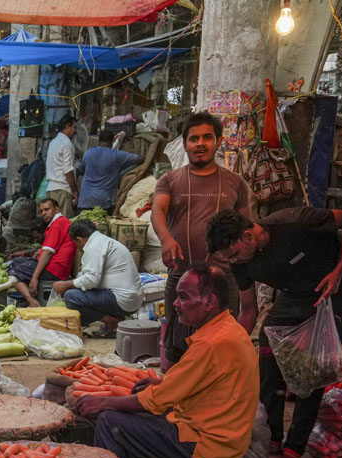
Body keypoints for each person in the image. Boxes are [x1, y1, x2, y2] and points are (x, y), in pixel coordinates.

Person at [75, 266, 259, 458]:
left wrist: (104, 401)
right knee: (132, 411)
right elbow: (199, 383)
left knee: (110, 421)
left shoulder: (212, 343)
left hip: (208, 447)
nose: (176, 304)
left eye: (184, 297)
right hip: (221, 438)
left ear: (209, 302)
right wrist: (162, 383)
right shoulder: (228, 329)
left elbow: (155, 401)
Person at [206, 207, 342, 458]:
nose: (234, 262)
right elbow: (248, 311)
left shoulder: (294, 222)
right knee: (267, 346)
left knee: (313, 366)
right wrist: (227, 351)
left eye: (235, 255)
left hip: (335, 288)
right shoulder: (239, 263)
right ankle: (273, 435)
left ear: (249, 236)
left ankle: (293, 450)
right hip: (294, 294)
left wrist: (339, 271)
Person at [151, 112, 254, 364]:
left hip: (223, 279)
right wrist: (166, 239)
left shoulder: (235, 183)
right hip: (181, 276)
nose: (201, 144)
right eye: (194, 139)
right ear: (184, 144)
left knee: (220, 350)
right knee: (177, 349)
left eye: (207, 137)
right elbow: (157, 211)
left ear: (218, 142)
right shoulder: (170, 180)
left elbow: (245, 229)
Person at [52, 219, 142, 329]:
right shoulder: (101, 240)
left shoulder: (94, 246)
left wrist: (66, 284)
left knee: (71, 296)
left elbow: (91, 280)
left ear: (79, 240)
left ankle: (111, 321)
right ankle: (115, 319)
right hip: (131, 299)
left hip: (122, 300)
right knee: (78, 289)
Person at [6, 196, 75, 306]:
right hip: (57, 267)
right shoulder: (60, 222)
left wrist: (34, 278)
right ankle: (28, 295)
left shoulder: (57, 224)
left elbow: (48, 253)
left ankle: (32, 302)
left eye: (47, 209)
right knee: (16, 262)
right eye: (42, 211)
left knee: (12, 272)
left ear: (57, 209)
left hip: (54, 269)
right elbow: (48, 249)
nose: (43, 213)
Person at [77, 130, 142, 212]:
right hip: (104, 202)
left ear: (99, 141)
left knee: (82, 224)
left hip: (85, 200)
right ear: (112, 142)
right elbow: (139, 159)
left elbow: (81, 171)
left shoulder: (88, 153)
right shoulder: (117, 156)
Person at [45, 116, 78, 217]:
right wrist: (75, 191)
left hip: (51, 189)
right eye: (74, 127)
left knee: (53, 223)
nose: (75, 131)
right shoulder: (67, 143)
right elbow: (68, 170)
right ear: (67, 127)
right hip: (62, 189)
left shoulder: (53, 142)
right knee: (63, 224)